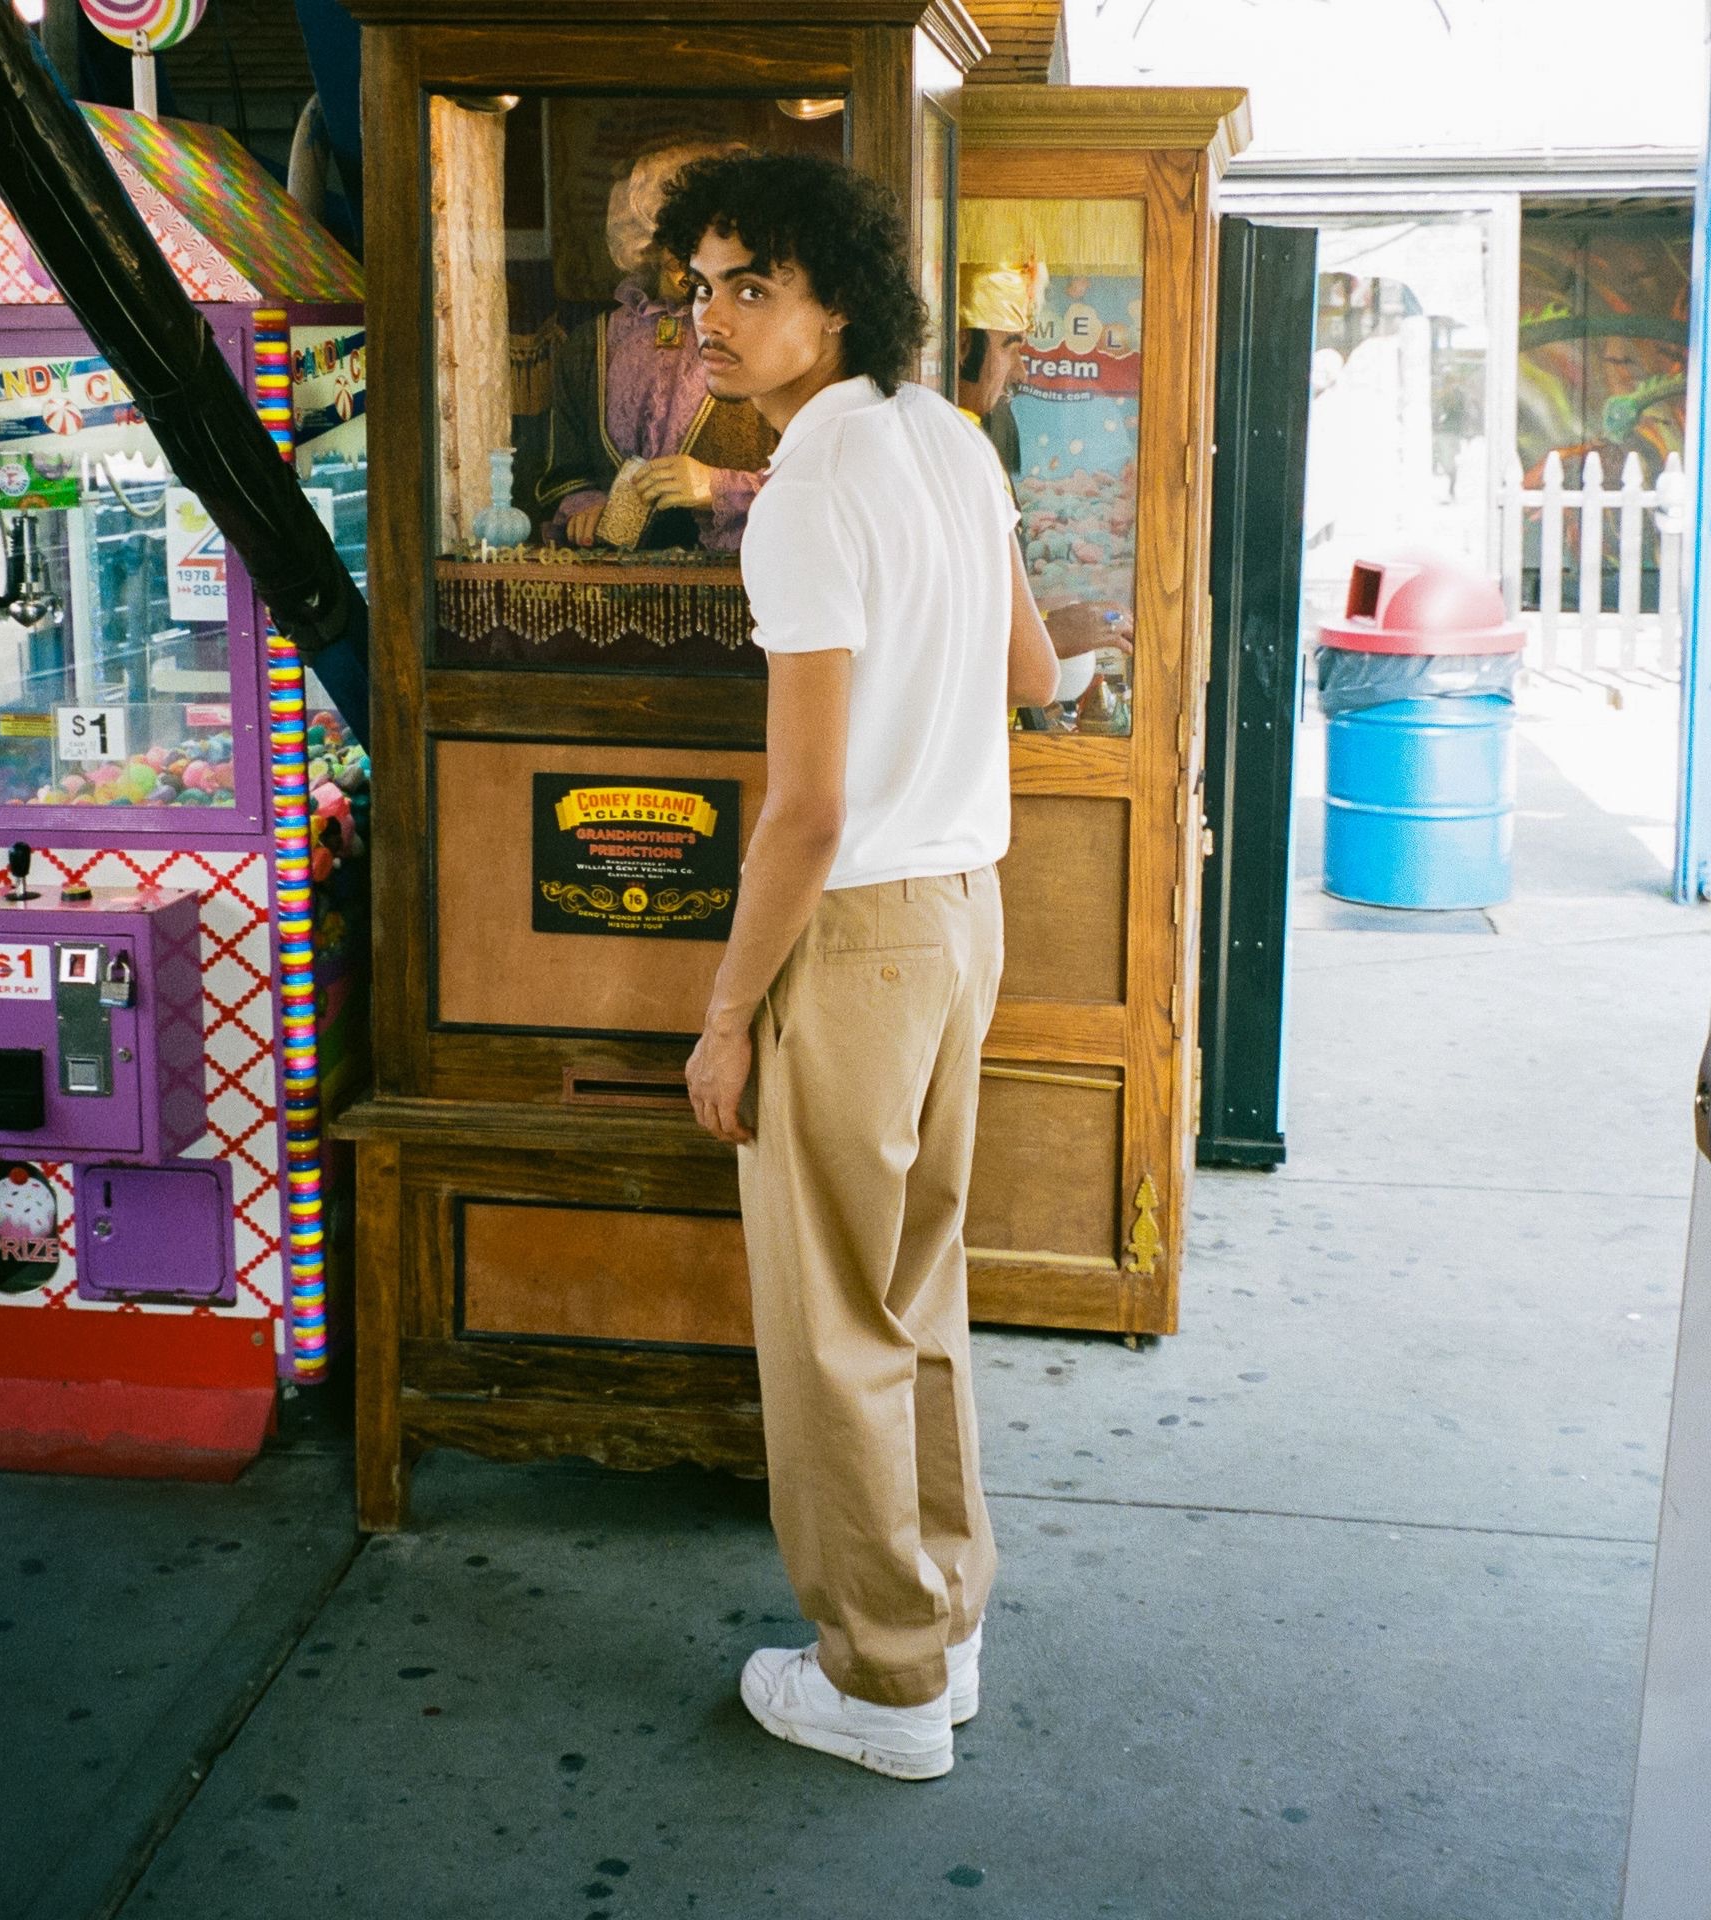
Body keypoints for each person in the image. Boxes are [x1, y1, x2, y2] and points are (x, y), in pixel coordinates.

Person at [656, 150, 1059, 1781]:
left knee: (826, 1322)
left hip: (862, 930)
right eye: (698, 286)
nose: (712, 319)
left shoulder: (808, 492)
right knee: (916, 1293)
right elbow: (1034, 670)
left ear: (836, 297)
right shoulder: (949, 441)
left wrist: (722, 1015)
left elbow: (806, 811)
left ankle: (877, 1682)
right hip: (964, 912)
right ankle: (939, 1629)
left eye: (750, 283)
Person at [535, 141, 774, 552]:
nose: (694, 265)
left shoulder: (765, 343)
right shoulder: (590, 346)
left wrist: (714, 487)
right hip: (608, 588)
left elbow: (812, 477)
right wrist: (584, 505)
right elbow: (564, 464)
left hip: (731, 583)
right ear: (649, 241)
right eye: (681, 244)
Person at [956, 259, 1133, 686]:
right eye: (1010, 347)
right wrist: (1059, 634)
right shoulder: (953, 457)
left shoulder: (971, 442)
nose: (1020, 371)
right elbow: (946, 647)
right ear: (961, 346)